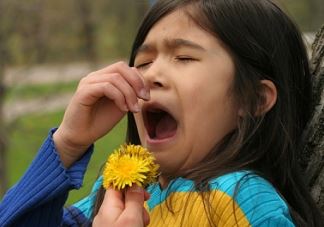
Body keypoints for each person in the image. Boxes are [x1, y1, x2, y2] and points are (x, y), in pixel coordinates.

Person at [0, 0, 323, 226]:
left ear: (253, 99)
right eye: (142, 62)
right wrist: (68, 144)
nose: (149, 75)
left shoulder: (242, 202)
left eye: (183, 58)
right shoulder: (122, 195)